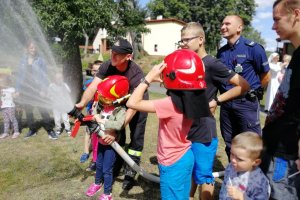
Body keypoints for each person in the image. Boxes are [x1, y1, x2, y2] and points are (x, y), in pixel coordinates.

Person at [127, 49, 210, 200]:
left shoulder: (170, 104)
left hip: (171, 162)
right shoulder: (196, 98)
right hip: (186, 155)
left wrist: (148, 78)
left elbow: (132, 102)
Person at [179, 22, 250, 200]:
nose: (184, 44)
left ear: (201, 39)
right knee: (190, 172)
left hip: (203, 129)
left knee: (204, 176)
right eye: (181, 41)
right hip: (185, 128)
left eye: (187, 40)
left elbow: (243, 85)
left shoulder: (211, 63)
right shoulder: (186, 62)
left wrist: (216, 100)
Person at [73, 38, 148, 190]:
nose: (113, 56)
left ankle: (130, 171)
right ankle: (116, 165)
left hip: (137, 105)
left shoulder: (135, 73)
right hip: (116, 103)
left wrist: (116, 128)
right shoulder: (107, 66)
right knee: (115, 137)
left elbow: (133, 107)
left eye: (117, 54)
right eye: (112, 52)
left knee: (135, 139)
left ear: (128, 57)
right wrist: (81, 104)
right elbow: (93, 86)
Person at [260, 0, 300, 199]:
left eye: (277, 19)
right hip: (274, 148)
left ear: (296, 15)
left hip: (287, 156)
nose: (273, 26)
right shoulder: (297, 54)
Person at [217, 15, 270, 160]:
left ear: (239, 27)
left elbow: (265, 76)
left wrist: (254, 92)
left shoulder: (253, 49)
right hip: (227, 104)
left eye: (227, 24)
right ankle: (234, 175)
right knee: (230, 143)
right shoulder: (221, 52)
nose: (223, 27)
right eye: (222, 24)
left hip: (246, 104)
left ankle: (254, 180)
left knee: (251, 143)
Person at [85, 75, 128, 200]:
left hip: (110, 146)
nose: (102, 98)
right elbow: (95, 116)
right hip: (100, 143)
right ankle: (97, 183)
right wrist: (92, 115)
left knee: (107, 170)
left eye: (104, 96)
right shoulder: (103, 107)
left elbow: (118, 124)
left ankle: (107, 193)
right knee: (98, 165)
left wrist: (102, 121)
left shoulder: (120, 110)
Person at [16, 40, 57, 140]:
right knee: (28, 110)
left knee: (43, 110)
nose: (33, 50)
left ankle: (50, 130)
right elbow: (20, 76)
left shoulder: (40, 60)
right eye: (31, 48)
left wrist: (44, 89)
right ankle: (32, 130)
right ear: (27, 49)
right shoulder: (23, 60)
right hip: (26, 88)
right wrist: (18, 89)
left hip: (38, 88)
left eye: (34, 48)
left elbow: (44, 76)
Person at [219, 132, 270, 199]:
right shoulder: (231, 166)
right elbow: (225, 185)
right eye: (232, 154)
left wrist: (242, 197)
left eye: (239, 159)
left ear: (256, 162)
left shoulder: (260, 182)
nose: (233, 160)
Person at [80, 60, 102, 173]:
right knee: (88, 132)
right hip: (90, 112)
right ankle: (86, 152)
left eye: (99, 70)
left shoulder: (105, 83)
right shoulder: (88, 83)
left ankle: (95, 160)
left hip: (100, 114)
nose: (96, 72)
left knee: (97, 137)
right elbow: (85, 97)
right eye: (94, 70)